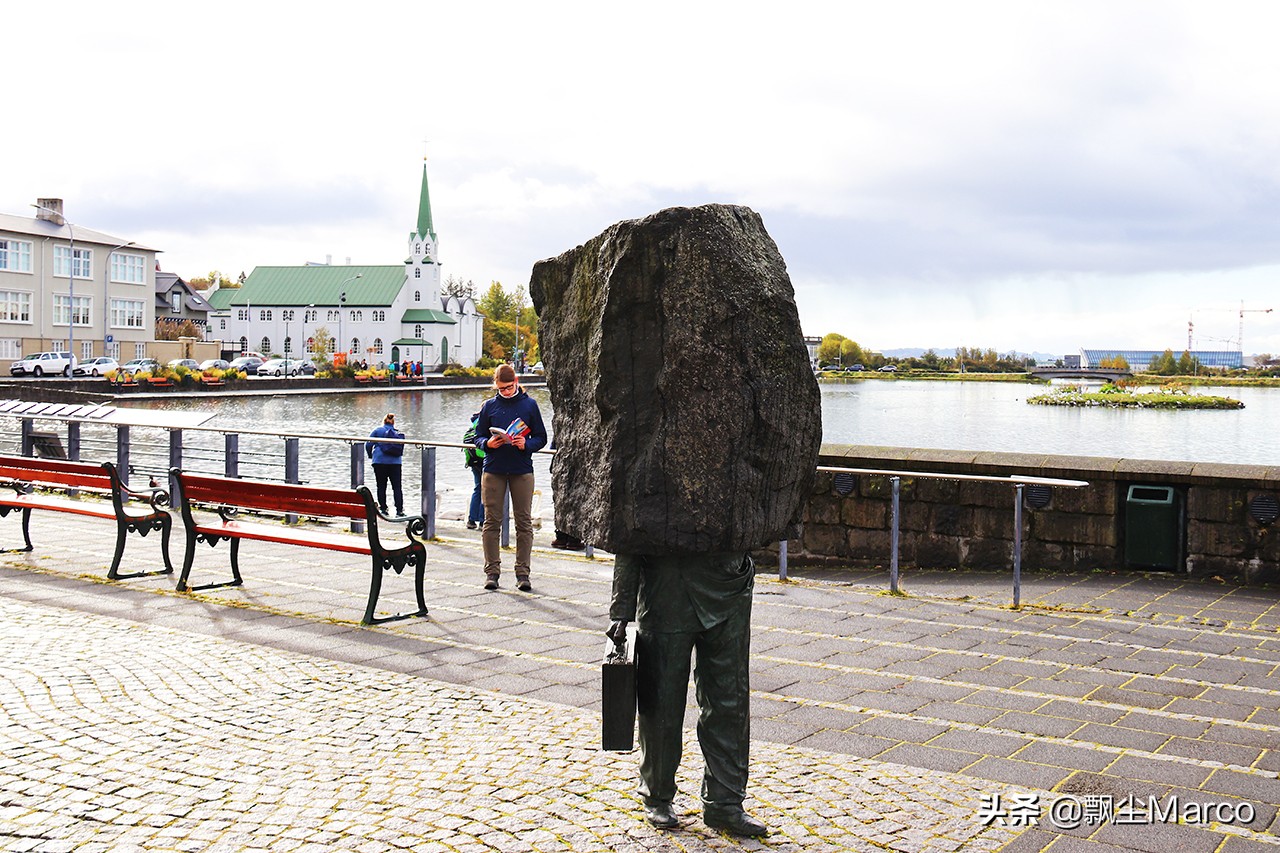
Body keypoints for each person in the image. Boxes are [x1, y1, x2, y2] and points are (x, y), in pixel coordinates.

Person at [608, 552, 765, 837]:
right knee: (662, 700)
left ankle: (725, 800)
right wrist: (621, 607)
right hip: (667, 588)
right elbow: (629, 527)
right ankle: (657, 794)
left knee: (730, 699)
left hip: (729, 586)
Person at [472, 363, 546, 591]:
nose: (504, 392)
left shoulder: (530, 405)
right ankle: (492, 572)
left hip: (521, 469)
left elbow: (541, 437)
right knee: (491, 522)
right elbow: (477, 437)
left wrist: (527, 444)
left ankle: (523, 574)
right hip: (493, 468)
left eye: (507, 387)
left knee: (524, 522)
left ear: (515, 382)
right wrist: (488, 443)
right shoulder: (489, 406)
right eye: (500, 388)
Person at [365, 413, 405, 516]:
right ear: (393, 422)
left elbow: (368, 444)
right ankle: (399, 511)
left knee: (381, 486)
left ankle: (383, 509)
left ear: (384, 421)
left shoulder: (377, 430)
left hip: (379, 462)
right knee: (397, 487)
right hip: (395, 463)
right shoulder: (397, 433)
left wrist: (370, 455)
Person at [462, 411, 485, 529]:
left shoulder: (474, 423)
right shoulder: (484, 421)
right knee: (486, 490)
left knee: (477, 488)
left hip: (473, 461)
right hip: (484, 459)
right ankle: (483, 520)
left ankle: (471, 520)